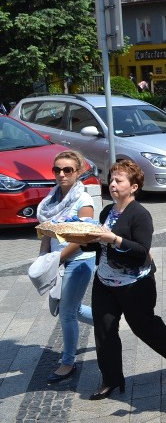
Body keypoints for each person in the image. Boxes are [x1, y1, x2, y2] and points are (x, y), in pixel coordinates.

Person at [88, 160, 166, 400]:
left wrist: (114, 239)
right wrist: (83, 238)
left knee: (144, 326)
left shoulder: (140, 214)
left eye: (119, 180)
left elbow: (142, 250)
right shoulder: (106, 212)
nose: (112, 184)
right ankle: (111, 379)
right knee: (104, 329)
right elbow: (99, 244)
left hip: (135, 284)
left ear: (133, 187)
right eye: (111, 179)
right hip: (105, 281)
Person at [36, 150, 95, 384]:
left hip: (78, 263)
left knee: (67, 312)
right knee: (74, 309)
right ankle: (106, 322)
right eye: (57, 169)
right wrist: (43, 257)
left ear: (78, 172)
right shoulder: (51, 200)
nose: (61, 174)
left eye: (68, 169)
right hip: (56, 261)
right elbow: (46, 231)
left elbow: (82, 239)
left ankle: (68, 363)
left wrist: (57, 259)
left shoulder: (84, 201)